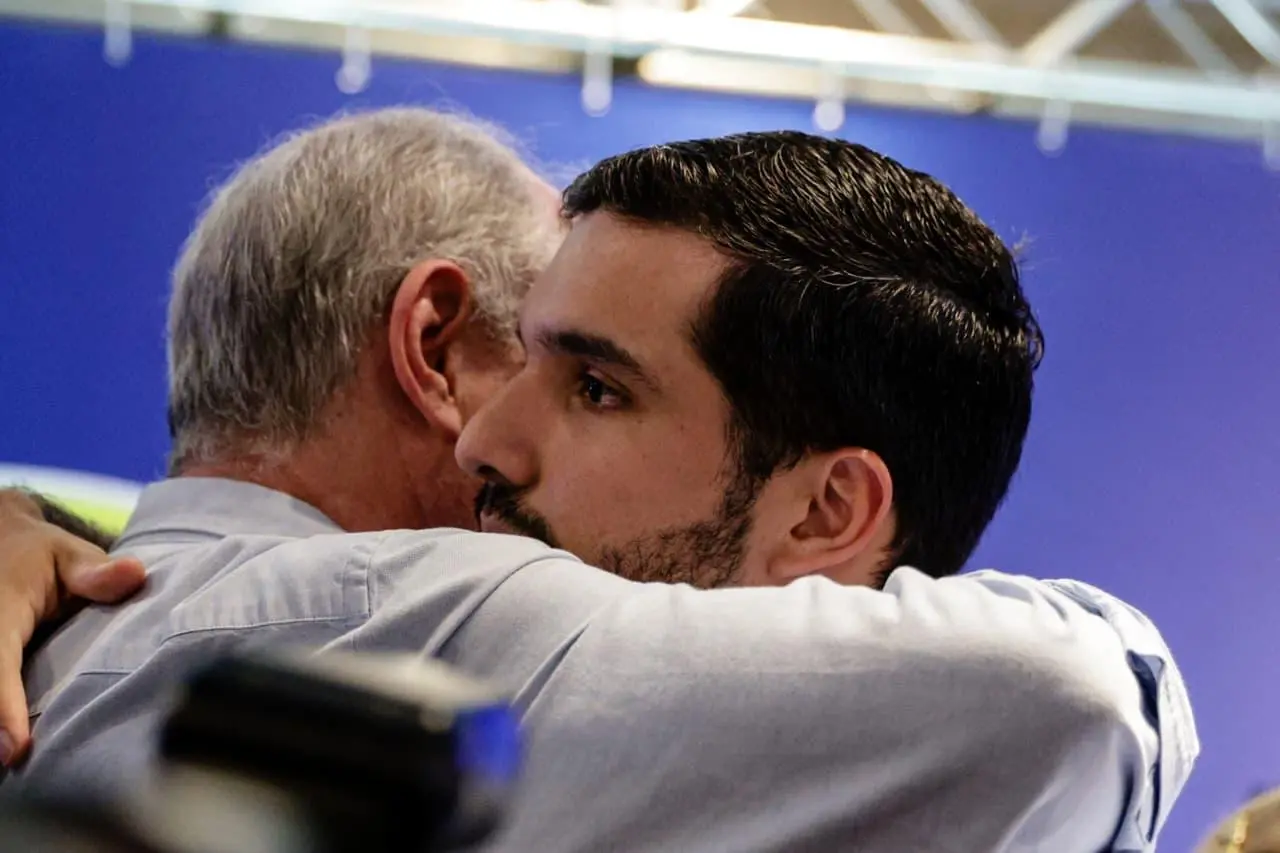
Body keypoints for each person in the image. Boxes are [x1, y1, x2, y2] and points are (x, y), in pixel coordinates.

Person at [0, 108, 1196, 851]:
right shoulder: (469, 624)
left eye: (595, 387)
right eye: (523, 356)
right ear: (428, 341)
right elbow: (1065, 697)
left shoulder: (81, 616)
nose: (483, 446)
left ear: (827, 511)